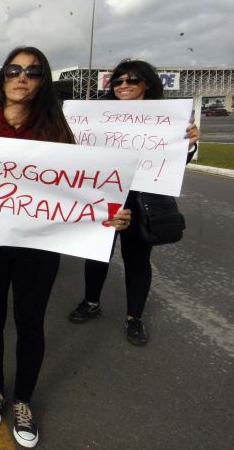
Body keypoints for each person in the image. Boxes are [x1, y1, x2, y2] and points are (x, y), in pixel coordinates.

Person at [0, 46, 132, 448]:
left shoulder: (56, 132)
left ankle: (22, 400)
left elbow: (85, 190)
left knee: (29, 322)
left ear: (42, 81)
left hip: (38, 248)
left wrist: (111, 215)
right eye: (15, 70)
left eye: (33, 71)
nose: (23, 77)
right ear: (3, 78)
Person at [67, 59, 201, 346]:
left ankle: (134, 317)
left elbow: (173, 163)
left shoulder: (167, 120)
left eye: (131, 80)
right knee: (96, 254)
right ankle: (91, 302)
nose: (123, 86)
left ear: (147, 84)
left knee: (137, 259)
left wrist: (189, 144)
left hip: (142, 201)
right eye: (118, 81)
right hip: (104, 198)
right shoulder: (95, 117)